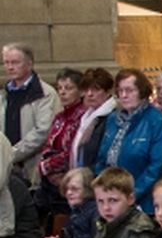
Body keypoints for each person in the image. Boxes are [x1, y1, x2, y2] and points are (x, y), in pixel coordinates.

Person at [95, 69, 162, 213]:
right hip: (112, 200)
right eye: (120, 91)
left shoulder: (156, 121)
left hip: (144, 202)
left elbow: (158, 167)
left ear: (142, 92)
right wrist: (104, 190)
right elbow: (102, 158)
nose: (124, 95)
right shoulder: (113, 119)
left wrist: (131, 195)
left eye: (129, 90)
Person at [1, 43, 61, 182]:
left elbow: (43, 131)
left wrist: (10, 154)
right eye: (6, 62)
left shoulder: (45, 94)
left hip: (32, 167)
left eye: (15, 62)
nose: (10, 67)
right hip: (6, 166)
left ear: (29, 64)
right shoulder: (4, 95)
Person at [34, 68, 85, 217]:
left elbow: (72, 150)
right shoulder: (59, 117)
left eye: (68, 88)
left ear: (80, 91)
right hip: (49, 179)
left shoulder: (81, 117)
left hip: (68, 178)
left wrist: (47, 166)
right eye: (60, 88)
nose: (62, 92)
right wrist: (45, 166)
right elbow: (48, 145)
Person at [72, 68, 117, 169]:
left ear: (108, 91)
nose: (89, 94)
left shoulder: (112, 117)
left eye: (96, 89)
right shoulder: (87, 117)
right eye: (87, 89)